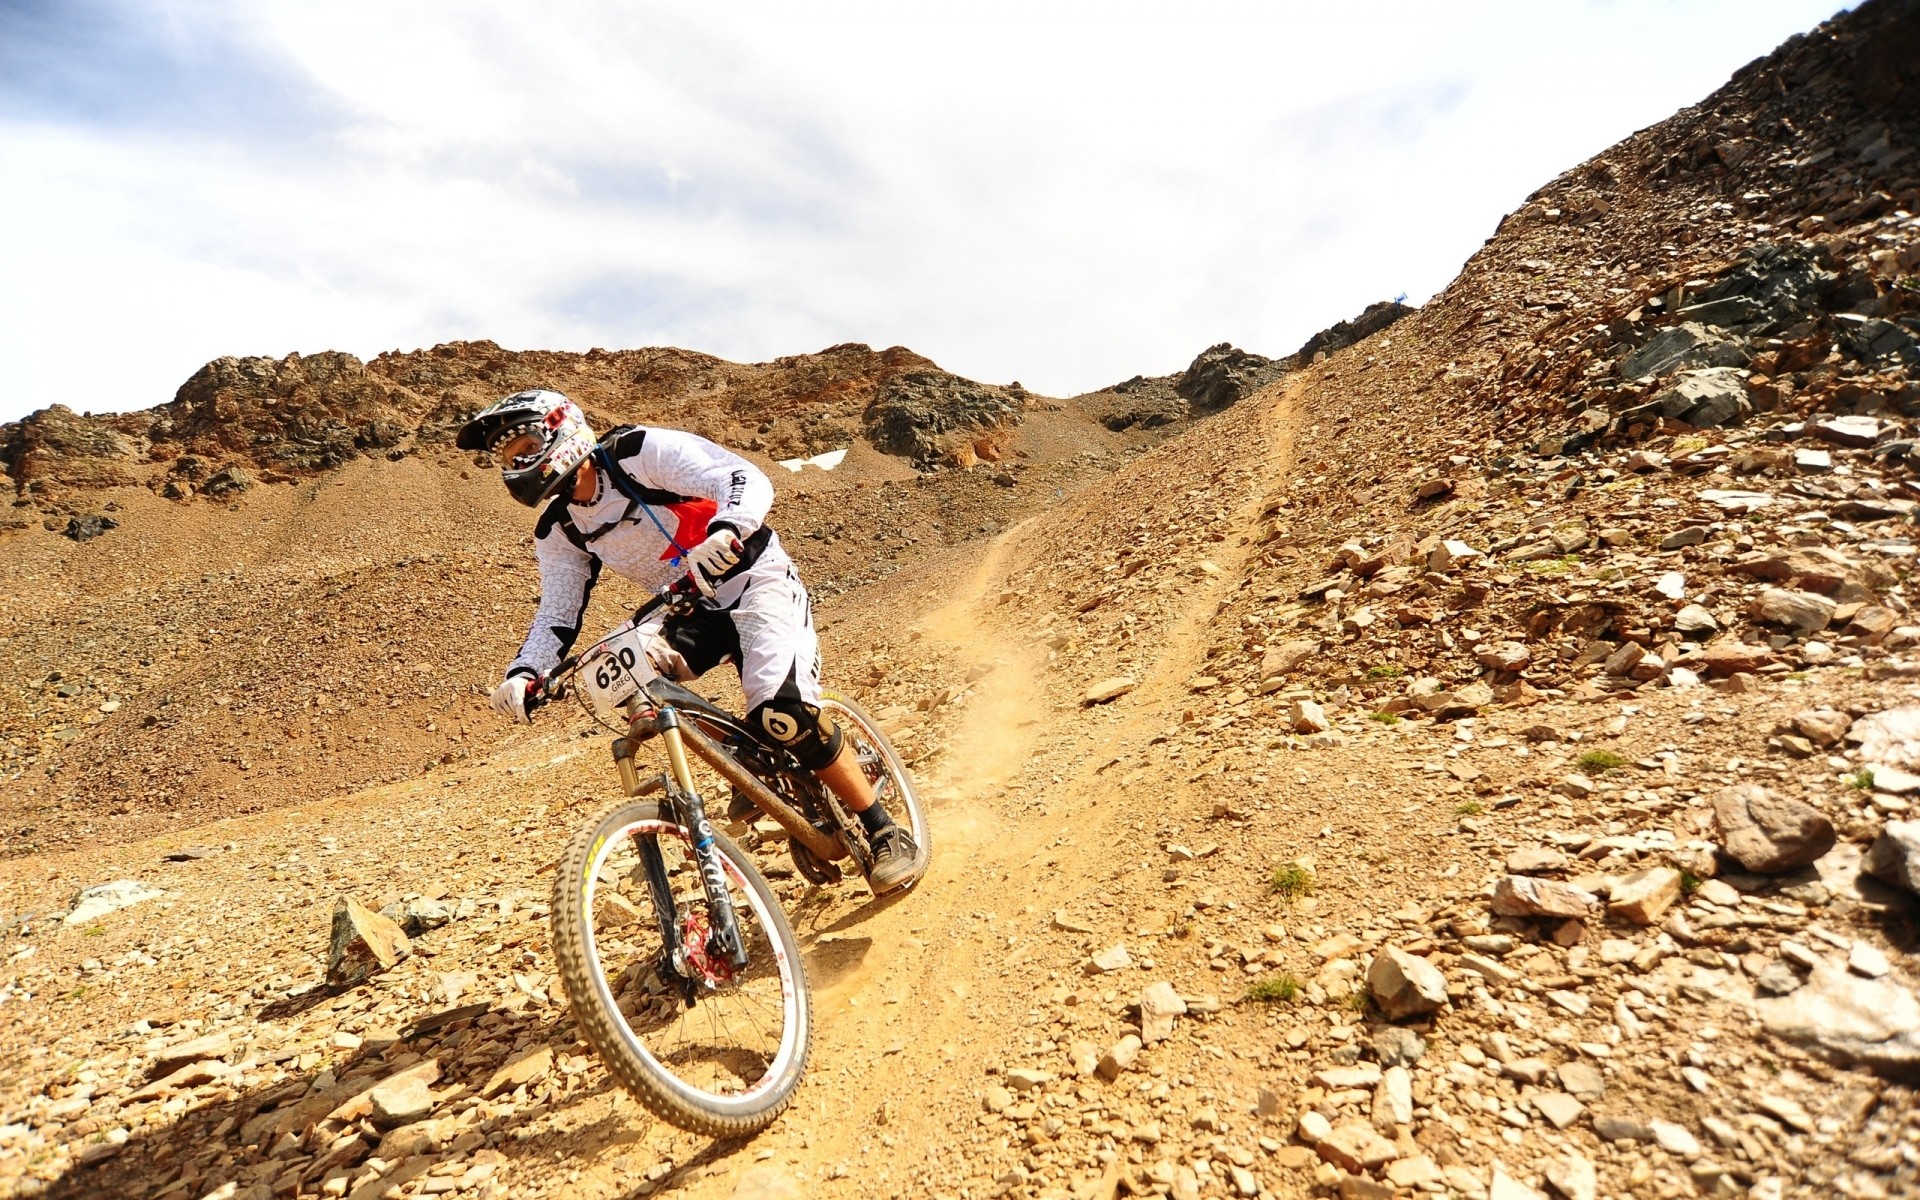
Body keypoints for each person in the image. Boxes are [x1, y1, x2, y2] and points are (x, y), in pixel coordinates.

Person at [457, 389, 922, 894]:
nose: (515, 463)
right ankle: (756, 771)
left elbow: (741, 478)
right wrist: (527, 673)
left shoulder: (638, 453)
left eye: (521, 446)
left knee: (781, 711)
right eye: (505, 457)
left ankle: (883, 829)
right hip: (685, 607)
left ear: (558, 431)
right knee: (630, 674)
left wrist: (726, 529)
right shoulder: (560, 529)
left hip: (753, 580)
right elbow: (557, 612)